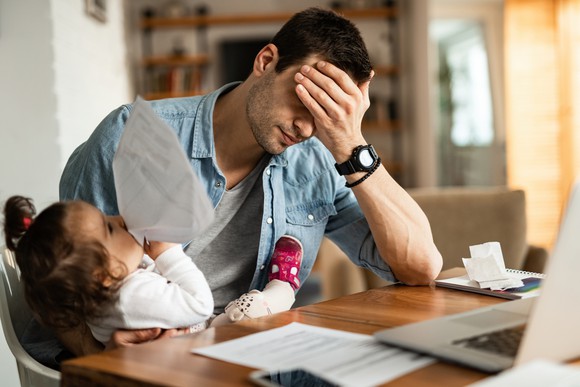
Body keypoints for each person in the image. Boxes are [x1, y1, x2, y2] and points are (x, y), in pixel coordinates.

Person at [59, 7, 442, 354]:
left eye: (326, 114)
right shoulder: (131, 137)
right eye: (304, 99)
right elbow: (57, 293)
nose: (308, 127)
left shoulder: (320, 162)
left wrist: (350, 142)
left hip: (256, 358)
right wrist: (103, 353)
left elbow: (421, 267)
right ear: (266, 61)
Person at [3, 196, 303, 347]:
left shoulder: (108, 295)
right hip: (201, 348)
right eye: (109, 228)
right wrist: (166, 253)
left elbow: (149, 284)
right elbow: (199, 304)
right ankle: (283, 284)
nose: (118, 219)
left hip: (194, 340)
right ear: (102, 275)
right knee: (249, 314)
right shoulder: (129, 297)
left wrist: (142, 256)